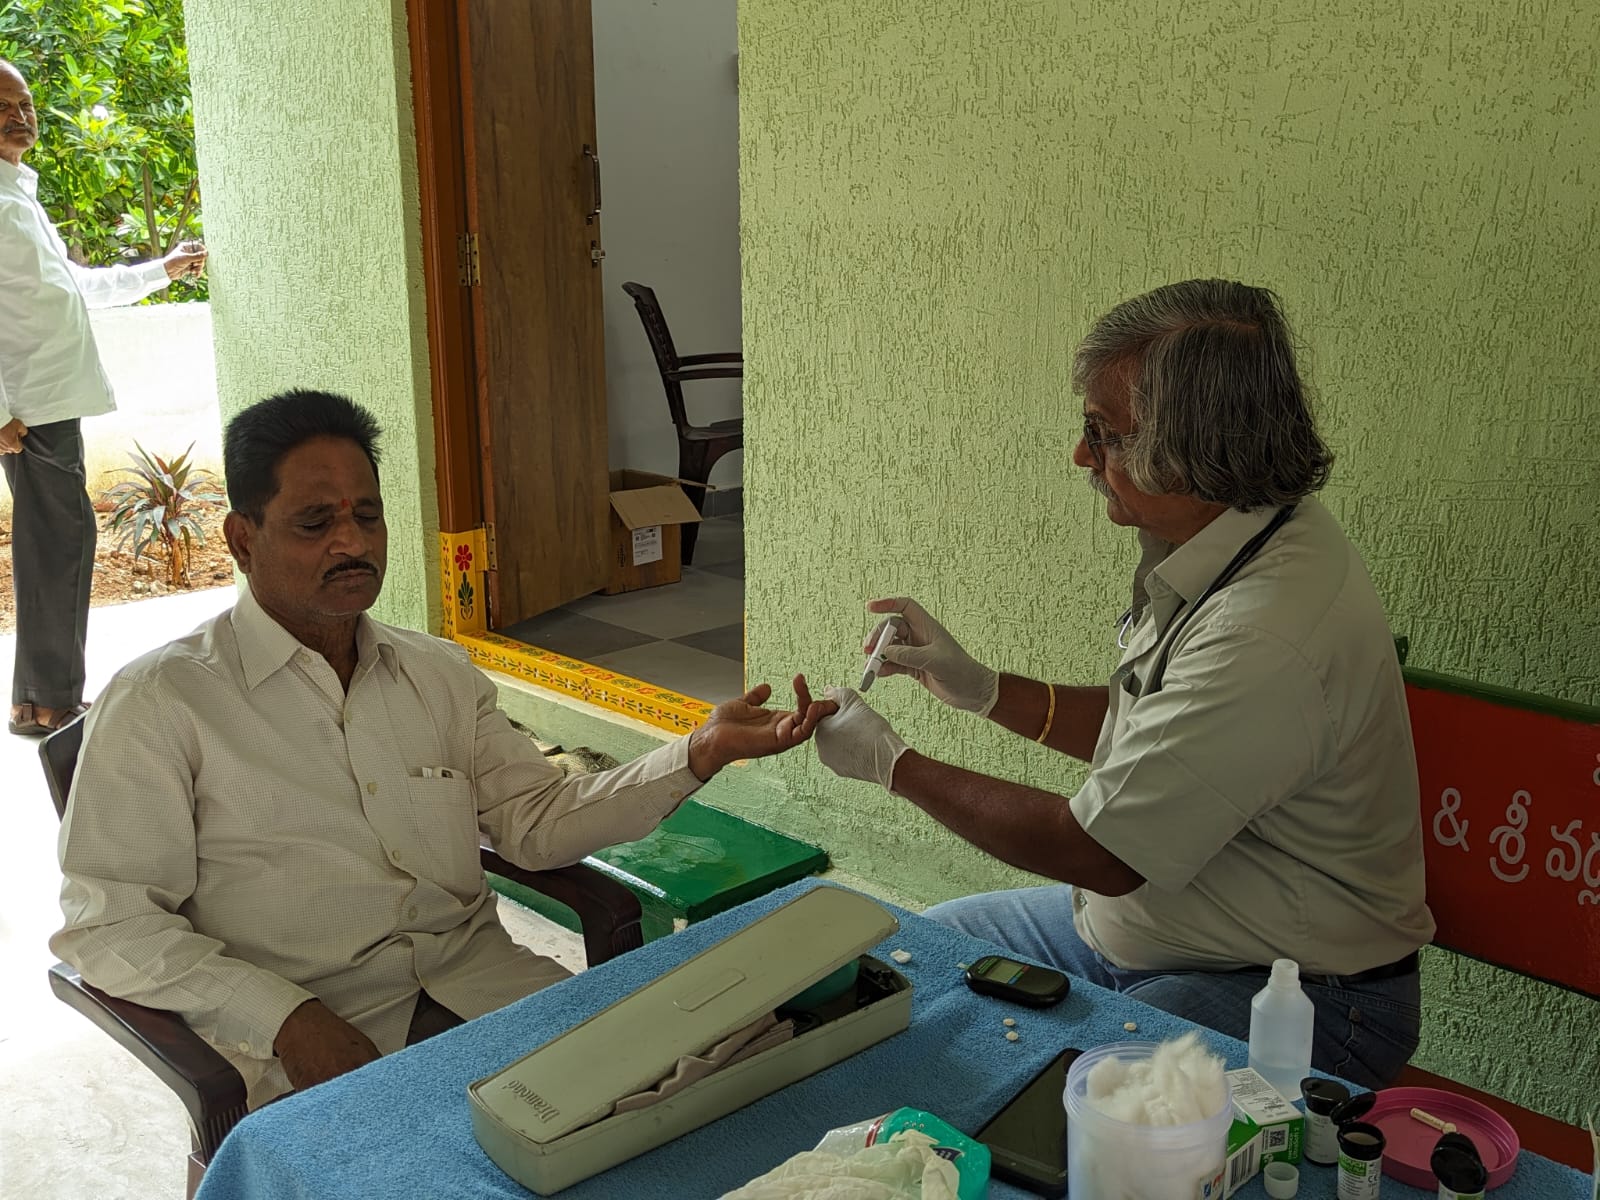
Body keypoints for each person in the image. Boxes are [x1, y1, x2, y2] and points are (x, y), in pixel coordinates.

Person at [52, 389, 837, 1108]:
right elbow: (109, 924)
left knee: (712, 1092)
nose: (352, 542)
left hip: (489, 992)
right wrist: (284, 1018)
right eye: (315, 523)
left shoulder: (436, 673)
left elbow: (536, 822)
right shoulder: (164, 701)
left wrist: (699, 751)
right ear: (242, 538)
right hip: (313, 1047)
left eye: (368, 515)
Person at [811, 279, 1434, 1089]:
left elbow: (1098, 851)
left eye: (1103, 434)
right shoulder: (1241, 533)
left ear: (1196, 447)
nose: (1083, 457)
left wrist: (893, 765)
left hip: (1302, 991)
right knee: (911, 955)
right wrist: (985, 690)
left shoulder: (1264, 630)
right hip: (1148, 932)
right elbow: (1167, 731)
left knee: (1074, 1098)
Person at [0, 58, 207, 736]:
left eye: (25, 104)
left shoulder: (18, 196)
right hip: (30, 411)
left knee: (54, 543)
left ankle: (37, 699)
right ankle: (50, 703)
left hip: (50, 401)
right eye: (3, 106)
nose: (19, 116)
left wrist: (161, 271)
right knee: (61, 545)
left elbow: (75, 287)